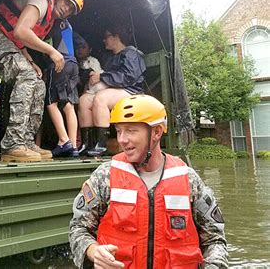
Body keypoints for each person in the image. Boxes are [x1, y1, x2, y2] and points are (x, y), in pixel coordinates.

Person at [69, 94, 228, 269]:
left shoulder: (189, 180)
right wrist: (93, 251)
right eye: (119, 131)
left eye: (130, 130)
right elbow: (78, 229)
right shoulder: (105, 177)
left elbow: (215, 240)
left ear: (157, 132)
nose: (122, 139)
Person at [0, 0, 84, 162]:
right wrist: (52, 51)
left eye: (71, 9)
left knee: (38, 81)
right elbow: (21, 31)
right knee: (27, 76)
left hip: (10, 42)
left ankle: (26, 141)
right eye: (66, 2)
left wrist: (31, 61)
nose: (67, 8)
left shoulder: (50, 20)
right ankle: (13, 144)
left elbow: (19, 41)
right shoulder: (41, 1)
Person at [78, 24, 146, 157]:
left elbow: (128, 77)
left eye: (106, 37)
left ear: (117, 36)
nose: (104, 40)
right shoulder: (109, 57)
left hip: (131, 91)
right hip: (113, 90)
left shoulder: (131, 53)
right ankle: (87, 144)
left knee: (101, 98)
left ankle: (101, 145)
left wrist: (102, 76)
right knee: (84, 100)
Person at [44, 19, 80, 157]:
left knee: (51, 102)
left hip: (60, 63)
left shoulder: (53, 21)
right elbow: (81, 42)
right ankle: (74, 146)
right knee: (67, 104)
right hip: (73, 63)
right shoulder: (68, 24)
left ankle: (64, 141)